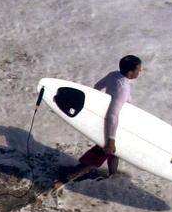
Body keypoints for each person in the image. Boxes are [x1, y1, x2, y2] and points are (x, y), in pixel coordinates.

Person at [49, 54, 143, 193]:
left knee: (115, 152)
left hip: (110, 120)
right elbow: (113, 113)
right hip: (112, 124)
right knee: (101, 153)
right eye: (138, 70)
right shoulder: (123, 88)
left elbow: (97, 87)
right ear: (130, 73)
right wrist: (110, 139)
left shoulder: (114, 75)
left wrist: (95, 109)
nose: (140, 72)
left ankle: (112, 175)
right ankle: (62, 181)